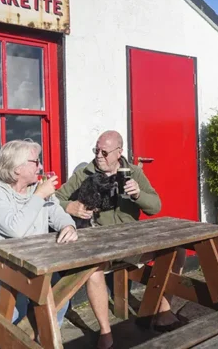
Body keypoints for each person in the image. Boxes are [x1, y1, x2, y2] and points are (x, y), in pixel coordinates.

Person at [56, 130, 185, 349]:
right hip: (99, 245)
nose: (99, 156)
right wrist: (71, 207)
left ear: (119, 152)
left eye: (104, 152)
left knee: (178, 250)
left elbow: (156, 206)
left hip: (131, 244)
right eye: (96, 150)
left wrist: (138, 195)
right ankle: (106, 333)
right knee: (93, 271)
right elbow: (56, 199)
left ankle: (164, 310)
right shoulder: (85, 174)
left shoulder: (132, 172)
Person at [0, 139, 77, 327]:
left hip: (35, 265)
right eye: (36, 162)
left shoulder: (38, 189)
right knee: (17, 305)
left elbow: (58, 214)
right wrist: (39, 196)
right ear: (16, 168)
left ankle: (43, 342)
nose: (41, 166)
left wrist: (68, 226)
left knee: (60, 296)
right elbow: (16, 229)